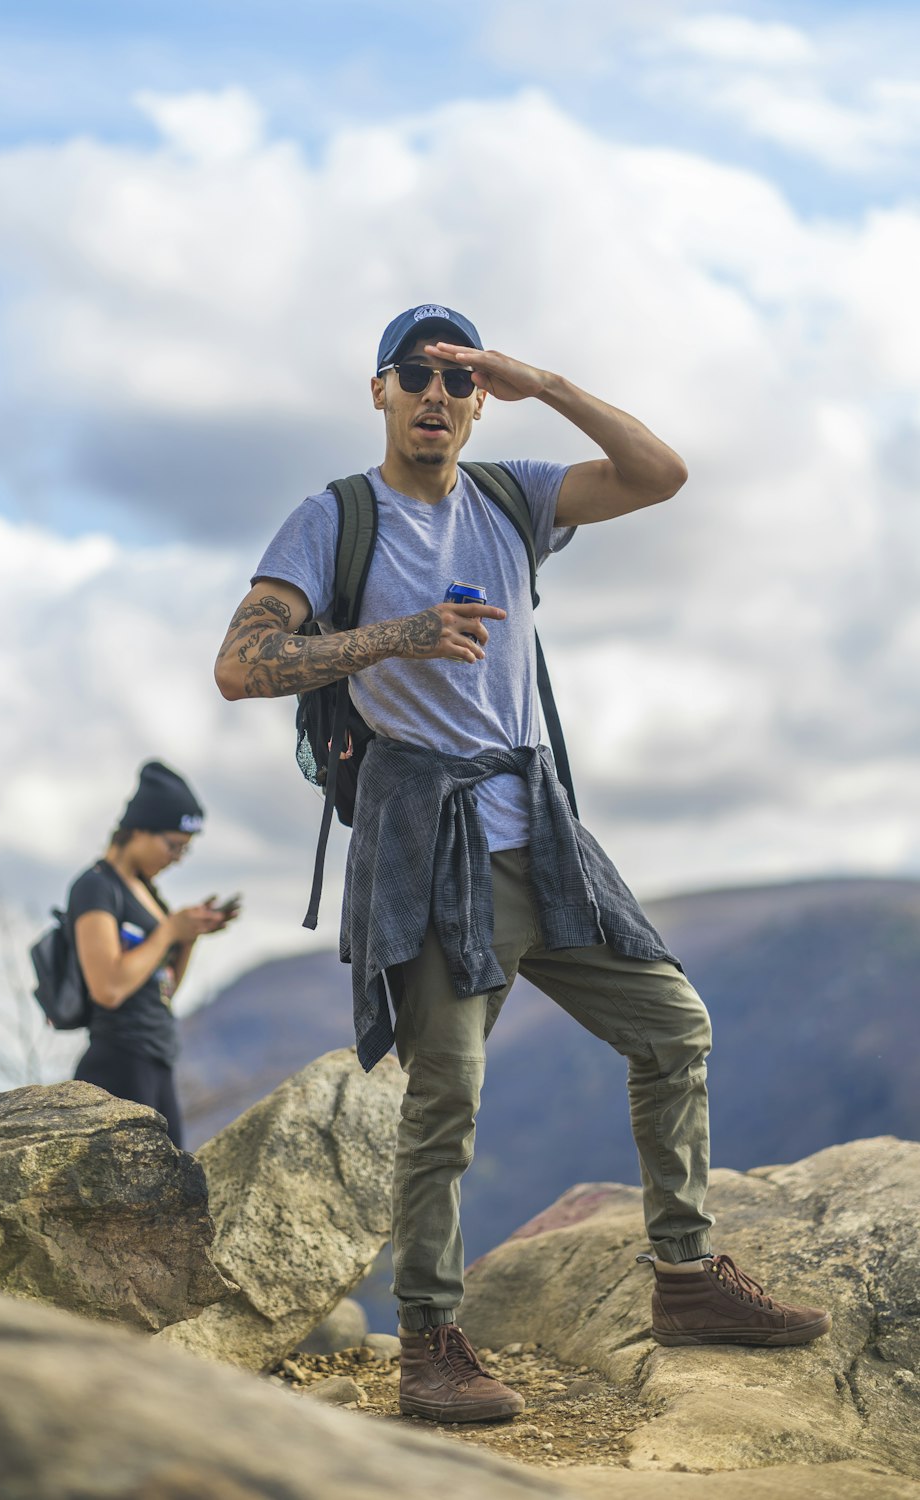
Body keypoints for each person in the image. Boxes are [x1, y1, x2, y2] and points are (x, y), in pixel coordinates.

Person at [214, 304, 831, 1423]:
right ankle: (431, 1348)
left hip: (542, 833)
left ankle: (686, 1279)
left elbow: (660, 474)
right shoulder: (334, 518)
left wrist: (540, 379)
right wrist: (394, 637)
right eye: (418, 374)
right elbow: (241, 664)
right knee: (445, 1098)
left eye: (459, 377)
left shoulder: (511, 495)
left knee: (673, 1027)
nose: (438, 394)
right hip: (430, 846)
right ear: (379, 391)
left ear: (478, 396)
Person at [70, 760, 238, 1148]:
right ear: (140, 830)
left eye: (185, 850)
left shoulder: (148, 893)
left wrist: (189, 937)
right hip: (120, 1059)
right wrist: (168, 932)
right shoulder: (96, 887)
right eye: (173, 845)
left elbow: (164, 991)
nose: (177, 858)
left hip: (157, 1057)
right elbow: (108, 988)